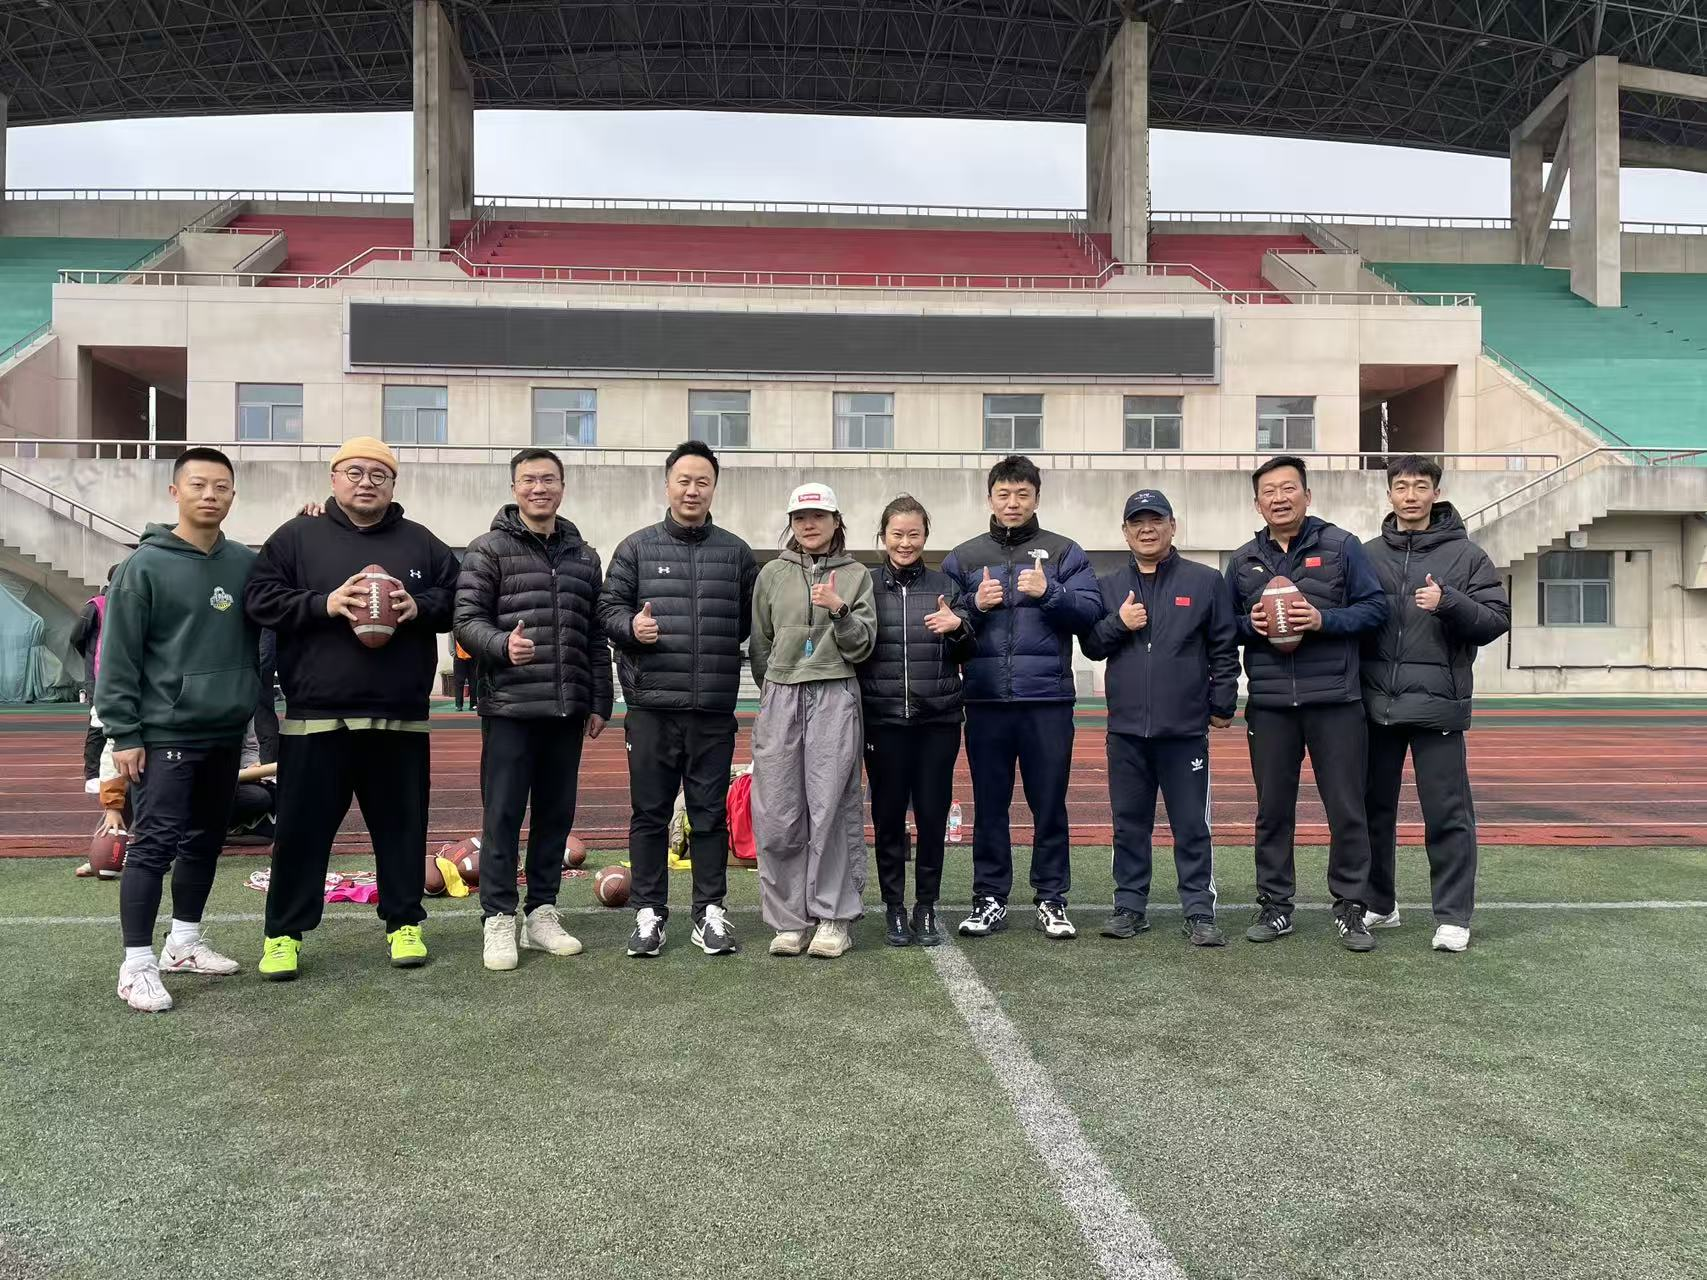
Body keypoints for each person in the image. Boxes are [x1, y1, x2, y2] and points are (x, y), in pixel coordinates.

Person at [244, 436, 459, 979]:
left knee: (402, 830)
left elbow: (460, 597)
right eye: (355, 472)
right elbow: (259, 598)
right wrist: (325, 603)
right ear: (334, 478)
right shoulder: (297, 536)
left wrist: (418, 606)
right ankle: (283, 934)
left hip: (399, 718)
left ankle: (404, 923)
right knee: (301, 834)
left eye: (379, 474)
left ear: (393, 483)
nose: (367, 482)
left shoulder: (421, 541)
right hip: (317, 717)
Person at [95, 447, 259, 1012]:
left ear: (233, 495)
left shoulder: (243, 563)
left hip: (225, 729)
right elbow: (118, 656)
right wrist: (124, 733)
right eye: (198, 485)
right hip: (165, 731)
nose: (210, 495)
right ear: (175, 493)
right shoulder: (144, 567)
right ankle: (136, 964)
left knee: (206, 839)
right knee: (155, 843)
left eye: (221, 486)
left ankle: (183, 943)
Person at [598, 440, 758, 959]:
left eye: (702, 482)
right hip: (651, 707)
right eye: (684, 481)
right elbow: (607, 609)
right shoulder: (636, 548)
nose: (693, 490)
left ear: (714, 488)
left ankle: (710, 911)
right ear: (667, 485)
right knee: (650, 813)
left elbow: (749, 621)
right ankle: (649, 913)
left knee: (709, 815)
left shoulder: (736, 553)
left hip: (712, 709)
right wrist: (631, 627)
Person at [454, 447, 613, 971]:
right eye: (528, 480)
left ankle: (542, 912)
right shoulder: (488, 550)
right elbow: (466, 622)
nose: (539, 488)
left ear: (562, 487)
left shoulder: (584, 557)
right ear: (514, 488)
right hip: (510, 708)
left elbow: (594, 635)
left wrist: (599, 698)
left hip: (566, 710)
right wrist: (503, 645)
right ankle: (498, 917)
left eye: (548, 479)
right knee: (502, 817)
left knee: (555, 817)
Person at [1226, 455, 1389, 952]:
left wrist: (1323, 621)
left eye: (1288, 488)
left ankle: (1351, 907)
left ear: (1307, 495)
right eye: (1269, 492)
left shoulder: (1341, 546)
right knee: (1272, 810)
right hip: (1271, 704)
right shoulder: (1243, 560)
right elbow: (1224, 626)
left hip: (1335, 699)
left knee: (1346, 808)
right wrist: (1248, 625)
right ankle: (1275, 905)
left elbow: (1375, 609)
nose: (1279, 498)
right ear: (1257, 503)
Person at [940, 455, 1102, 940]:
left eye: (1022, 494)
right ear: (990, 498)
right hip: (986, 700)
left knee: (1048, 804)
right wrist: (974, 607)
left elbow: (1090, 612)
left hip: (1047, 700)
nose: (1013, 503)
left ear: (1036, 498)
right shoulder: (964, 557)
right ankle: (989, 897)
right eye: (1004, 494)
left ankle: (1052, 898)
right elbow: (946, 626)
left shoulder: (1065, 551)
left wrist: (1050, 593)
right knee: (990, 805)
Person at [1360, 455, 1511, 953]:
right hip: (1375, 707)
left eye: (1420, 486)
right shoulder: (1366, 554)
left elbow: (1495, 620)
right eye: (1401, 486)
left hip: (1438, 707)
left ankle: (1452, 916)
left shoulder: (1467, 556)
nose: (1410, 495)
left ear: (1436, 493)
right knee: (1372, 811)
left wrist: (1449, 602)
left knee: (1447, 814)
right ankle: (1379, 903)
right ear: (1389, 494)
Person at [1079, 489, 1241, 946]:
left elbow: (1224, 646)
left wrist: (1222, 703)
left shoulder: (1205, 581)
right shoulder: (1108, 585)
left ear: (1173, 526)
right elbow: (1092, 645)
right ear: (1125, 531)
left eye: (1155, 520)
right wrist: (1119, 623)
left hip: (1184, 730)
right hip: (1126, 731)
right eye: (1137, 522)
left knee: (1192, 825)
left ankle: (1199, 911)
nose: (1146, 529)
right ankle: (1129, 907)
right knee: (1130, 824)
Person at [749, 483, 877, 958]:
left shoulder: (857, 575)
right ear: (791, 523)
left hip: (835, 691)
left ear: (836, 521)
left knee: (831, 808)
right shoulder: (771, 574)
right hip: (780, 692)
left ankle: (833, 916)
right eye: (801, 518)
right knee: (778, 810)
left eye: (819, 516)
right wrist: (778, 684)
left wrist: (839, 610)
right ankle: (789, 920)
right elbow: (761, 643)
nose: (809, 525)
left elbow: (862, 646)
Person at [856, 495, 976, 948]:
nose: (905, 543)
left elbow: (970, 650)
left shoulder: (946, 585)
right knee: (887, 818)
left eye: (914, 534)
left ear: (926, 536)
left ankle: (926, 906)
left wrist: (957, 628)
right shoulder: (864, 585)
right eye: (897, 534)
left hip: (937, 722)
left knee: (931, 816)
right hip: (882, 720)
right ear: (883, 536)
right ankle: (894, 907)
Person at [70, 566, 118, 792]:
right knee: (98, 724)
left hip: (124, 673)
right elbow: (76, 637)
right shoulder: (96, 605)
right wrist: (91, 657)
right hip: (99, 676)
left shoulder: (129, 602)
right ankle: (92, 775)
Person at [452, 639, 476, 712]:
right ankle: (458, 705)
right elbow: (451, 640)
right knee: (459, 682)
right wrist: (454, 654)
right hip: (459, 657)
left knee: (473, 681)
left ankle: (473, 704)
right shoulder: (454, 631)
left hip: (472, 657)